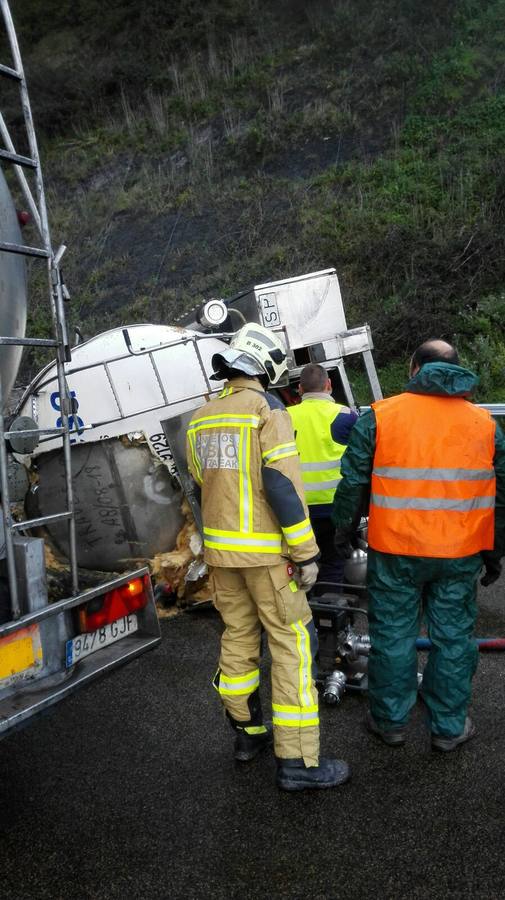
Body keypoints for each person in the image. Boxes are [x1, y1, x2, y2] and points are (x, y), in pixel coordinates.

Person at [186, 323, 350, 790]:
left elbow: (200, 480)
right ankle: (298, 762)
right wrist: (306, 552)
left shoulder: (200, 417)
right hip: (268, 559)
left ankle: (247, 735)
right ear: (269, 366)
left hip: (222, 557)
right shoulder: (267, 410)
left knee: (238, 638)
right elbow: (279, 484)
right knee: (292, 647)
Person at [332, 339, 505, 751]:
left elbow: (354, 481)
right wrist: (495, 552)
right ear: (457, 369)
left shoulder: (380, 417)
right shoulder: (485, 425)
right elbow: (502, 495)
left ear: (414, 368)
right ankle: (448, 727)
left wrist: (343, 530)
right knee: (453, 638)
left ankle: (390, 722)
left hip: (396, 551)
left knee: (393, 635)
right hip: (460, 554)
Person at [287, 363, 358, 587]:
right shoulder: (346, 416)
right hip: (335, 506)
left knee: (300, 562)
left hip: (296, 508)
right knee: (333, 561)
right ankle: (332, 602)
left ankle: (306, 602)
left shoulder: (284, 417)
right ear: (329, 384)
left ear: (300, 389)